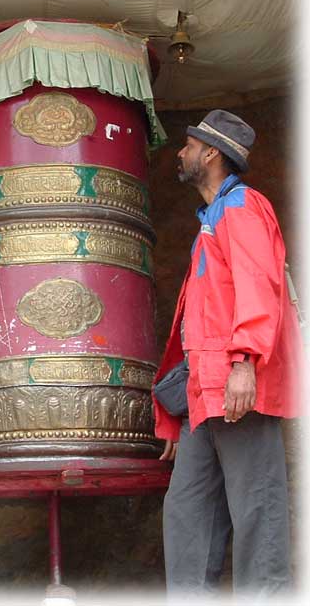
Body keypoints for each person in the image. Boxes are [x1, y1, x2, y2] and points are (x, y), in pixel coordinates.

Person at [152, 109, 303, 598]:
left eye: (189, 145)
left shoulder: (241, 207)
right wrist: (180, 416)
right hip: (205, 396)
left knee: (257, 510)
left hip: (238, 389)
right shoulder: (212, 220)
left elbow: (257, 288)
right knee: (187, 513)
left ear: (211, 153)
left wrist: (244, 364)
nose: (180, 152)